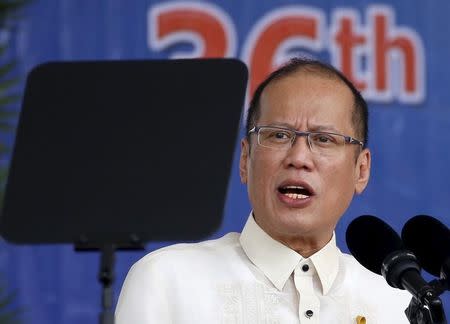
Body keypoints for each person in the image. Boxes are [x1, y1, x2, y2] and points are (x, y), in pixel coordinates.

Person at [115, 58, 411, 323]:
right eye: (279, 135)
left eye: (323, 139)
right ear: (245, 160)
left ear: (361, 170)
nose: (299, 158)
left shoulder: (396, 300)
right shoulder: (167, 281)